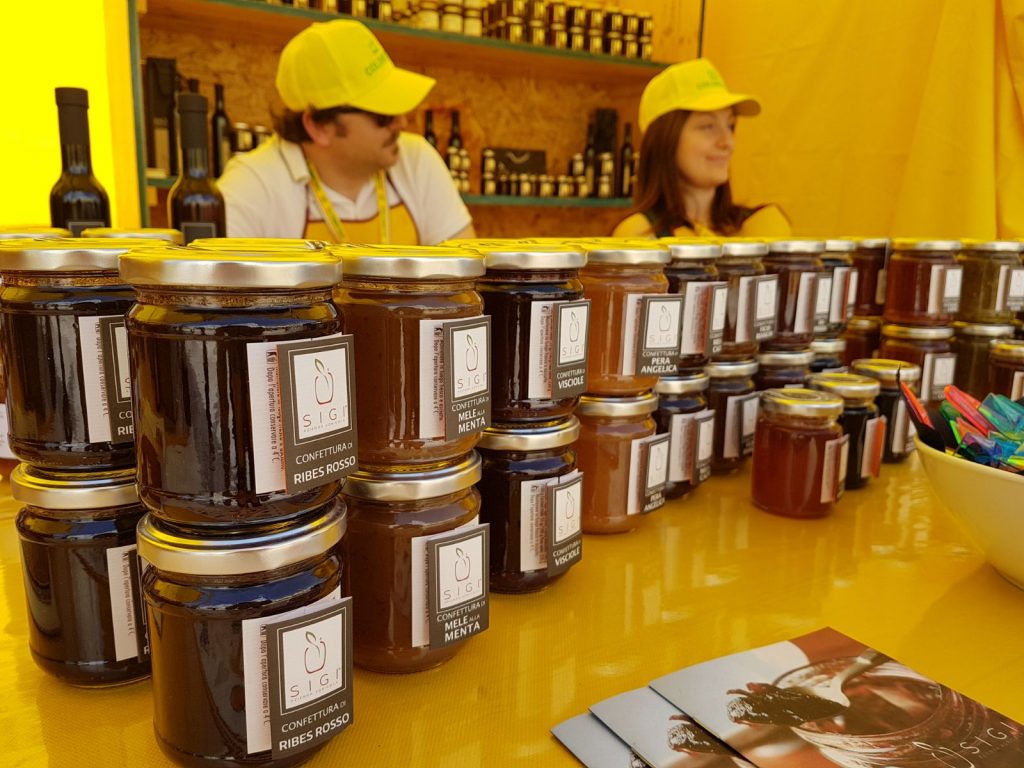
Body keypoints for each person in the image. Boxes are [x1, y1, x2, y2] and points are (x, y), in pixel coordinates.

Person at [218, 20, 475, 244]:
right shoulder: (252, 187)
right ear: (319, 126)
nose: (402, 123)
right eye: (383, 115)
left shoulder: (417, 159)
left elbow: (465, 271)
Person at [613, 58, 791, 239]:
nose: (728, 143)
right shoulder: (639, 236)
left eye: (730, 126)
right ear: (665, 139)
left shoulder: (763, 225)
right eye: (707, 126)